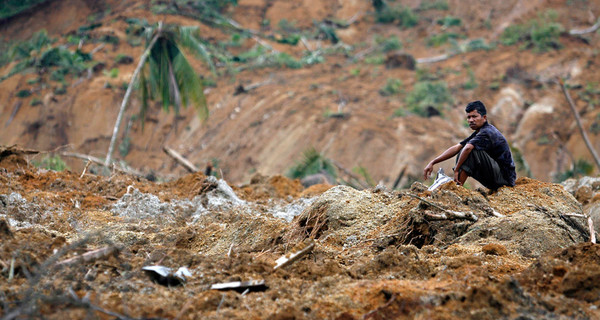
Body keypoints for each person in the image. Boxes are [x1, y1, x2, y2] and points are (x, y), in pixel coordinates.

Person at [423, 100, 516, 190]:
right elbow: (457, 147)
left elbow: (468, 148)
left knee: (470, 151)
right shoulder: (479, 133)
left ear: (484, 117)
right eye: (469, 117)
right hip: (496, 177)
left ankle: (457, 188)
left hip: (504, 180)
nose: (471, 120)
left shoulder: (487, 132)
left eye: (474, 116)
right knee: (464, 150)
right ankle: (455, 186)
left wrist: (456, 169)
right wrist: (433, 162)